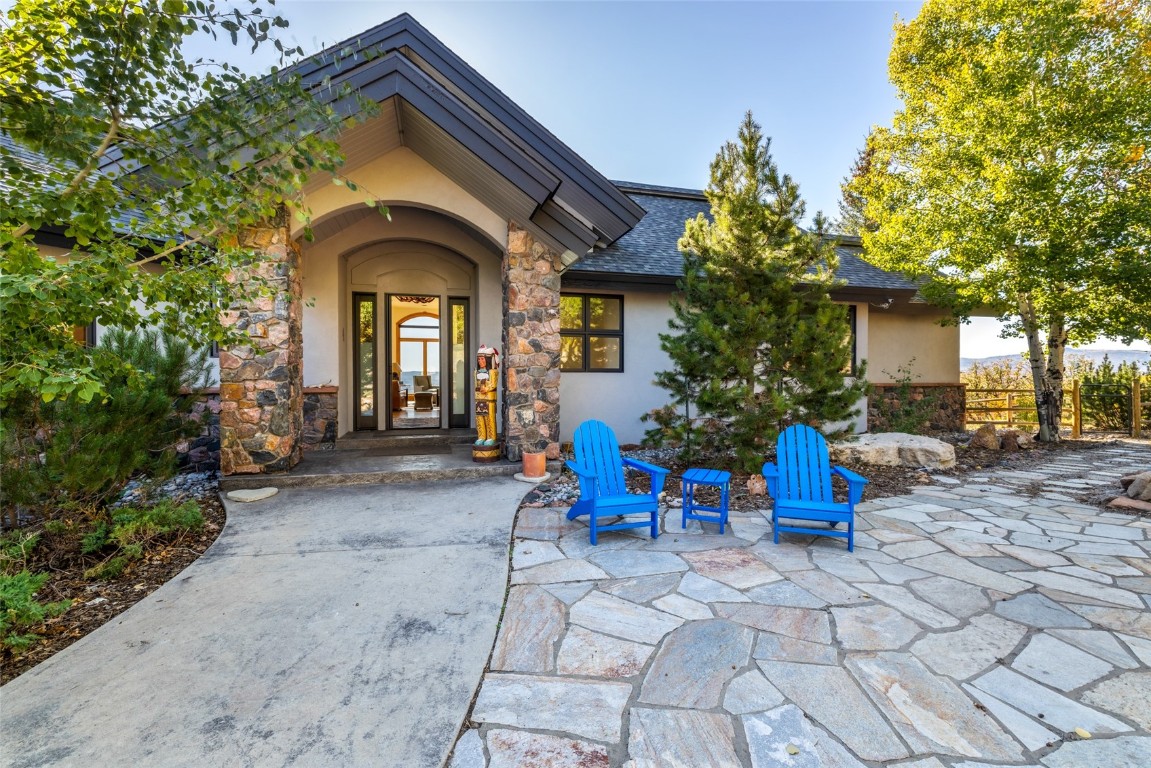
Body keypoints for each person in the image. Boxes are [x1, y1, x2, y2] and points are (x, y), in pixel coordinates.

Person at [475, 343, 499, 446]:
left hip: (489, 399)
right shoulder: (476, 372)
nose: (480, 361)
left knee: (490, 418)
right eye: (479, 359)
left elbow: (493, 384)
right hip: (479, 399)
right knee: (480, 418)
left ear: (488, 360)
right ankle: (481, 436)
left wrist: (487, 388)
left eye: (482, 359)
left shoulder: (493, 372)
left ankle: (491, 437)